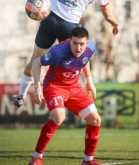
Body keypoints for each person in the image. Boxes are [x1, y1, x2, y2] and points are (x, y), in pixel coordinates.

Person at [0, 0, 119, 107]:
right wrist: (115, 24)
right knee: (82, 52)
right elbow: (107, 14)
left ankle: (20, 96)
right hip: (69, 26)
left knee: (35, 60)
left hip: (49, 18)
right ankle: (87, 84)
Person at [28, 27, 102, 165]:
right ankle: (36, 157)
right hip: (55, 87)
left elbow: (85, 60)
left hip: (74, 87)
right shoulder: (57, 52)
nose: (78, 48)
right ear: (70, 41)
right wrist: (37, 87)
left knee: (95, 120)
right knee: (58, 117)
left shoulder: (91, 47)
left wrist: (89, 82)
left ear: (87, 43)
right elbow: (36, 63)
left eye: (81, 44)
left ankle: (87, 161)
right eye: (75, 43)